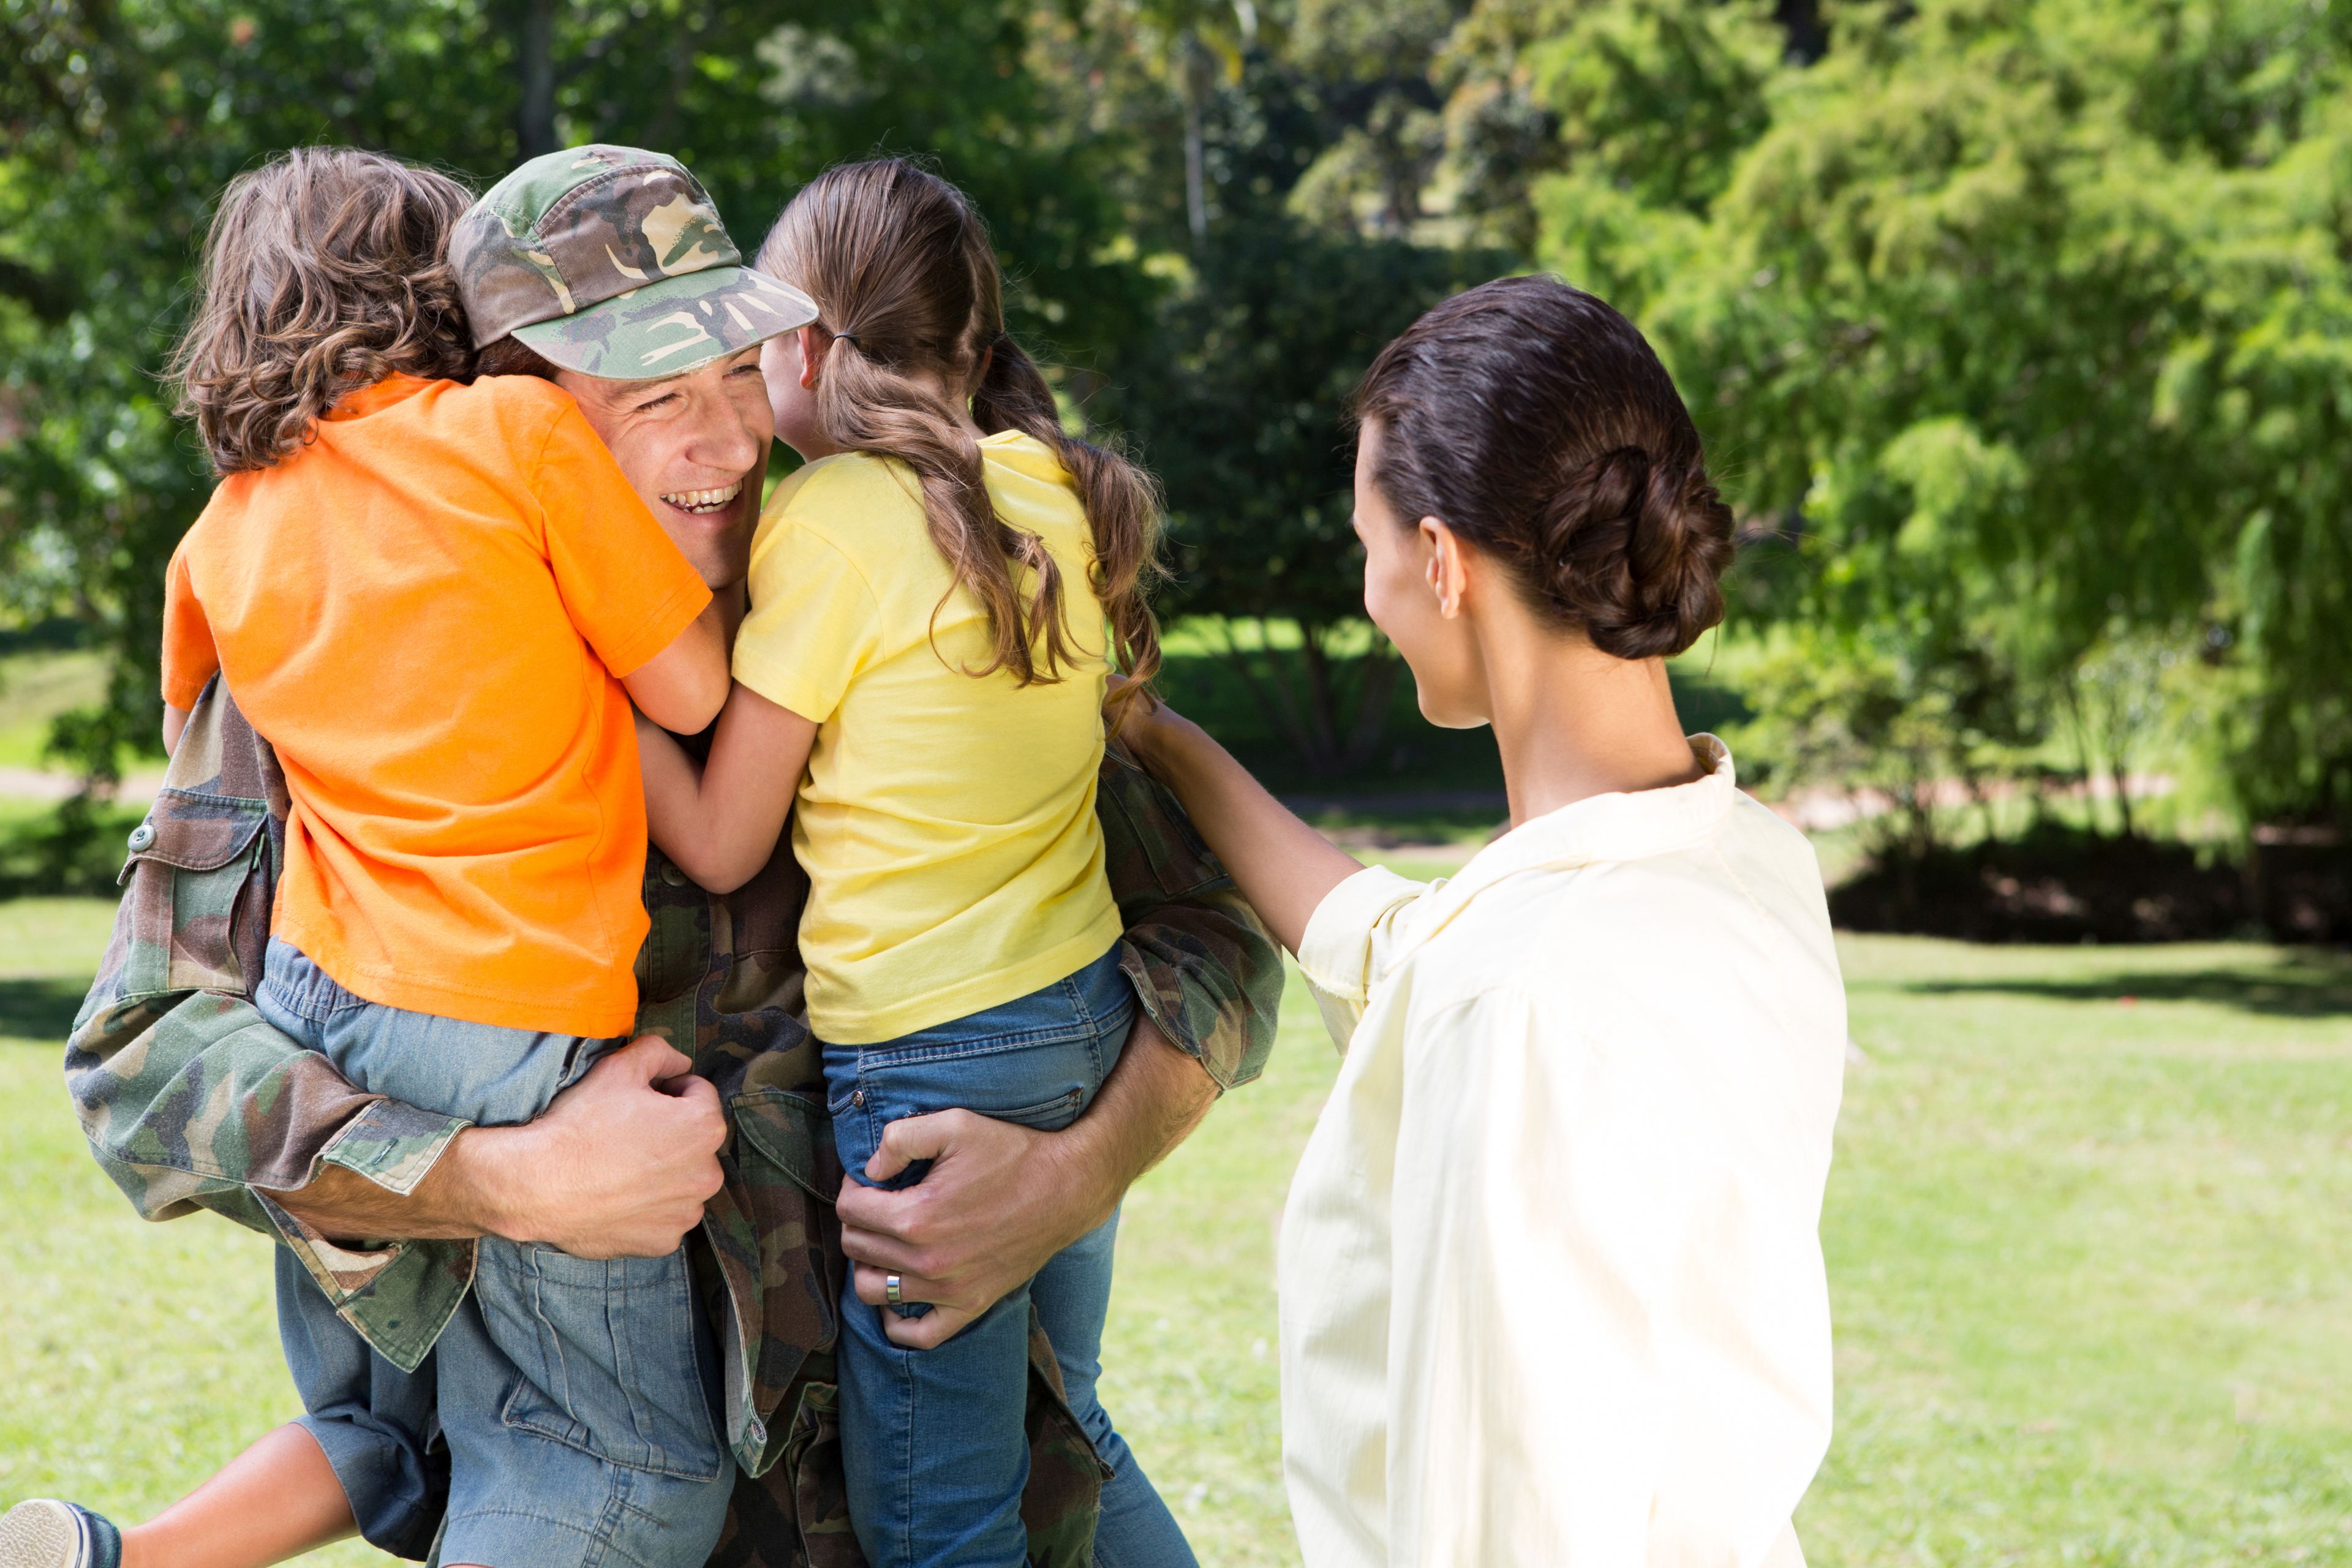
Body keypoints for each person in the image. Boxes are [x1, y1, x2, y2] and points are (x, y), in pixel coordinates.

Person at [20, 146, 1281, 1568]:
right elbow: (147, 1062)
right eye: (648, 398)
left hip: (975, 1499)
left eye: (739, 370)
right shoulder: (371, 678)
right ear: (510, 420)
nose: (732, 446)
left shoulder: (884, 568)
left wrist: (1071, 1168)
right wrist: (498, 1173)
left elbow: (1206, 932)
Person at [1116, 276, 1848, 1566]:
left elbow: (1503, 1513)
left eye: (1368, 545)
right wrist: (1162, 742)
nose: (1367, 596)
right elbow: (1412, 948)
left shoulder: (1522, 1003)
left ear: (1443, 560)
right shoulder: (1740, 860)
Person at [635, 157, 1193, 1568]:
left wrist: (591, 672)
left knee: (932, 1520)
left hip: (933, 1073)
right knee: (1067, 1429)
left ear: (807, 349)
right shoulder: (1050, 491)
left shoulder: (829, 522)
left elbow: (720, 835)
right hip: (1081, 1025)